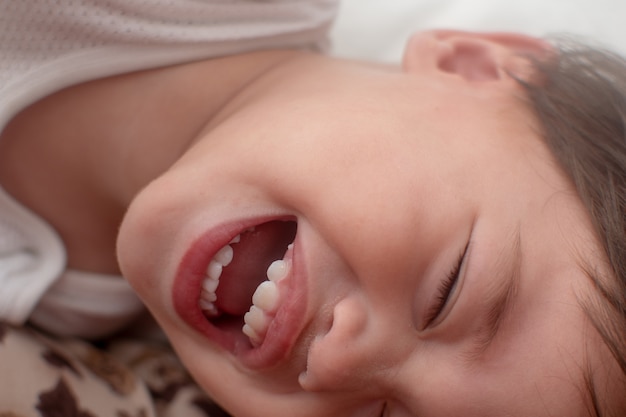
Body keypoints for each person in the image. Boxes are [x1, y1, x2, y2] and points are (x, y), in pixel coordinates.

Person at [0, 2, 624, 417]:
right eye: (446, 291)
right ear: (478, 65)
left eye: (381, 416)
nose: (336, 363)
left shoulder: (60, 316)